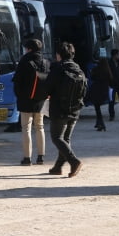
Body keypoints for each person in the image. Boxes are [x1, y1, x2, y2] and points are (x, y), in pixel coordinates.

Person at [47, 42, 86, 177]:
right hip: (75, 109)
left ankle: (74, 161)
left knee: (57, 138)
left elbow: (48, 87)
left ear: (58, 55)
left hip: (59, 109)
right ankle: (58, 167)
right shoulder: (79, 70)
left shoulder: (58, 69)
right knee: (65, 139)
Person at [12, 39, 49, 166]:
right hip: (41, 100)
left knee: (26, 129)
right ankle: (41, 157)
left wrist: (19, 95)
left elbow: (17, 81)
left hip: (26, 100)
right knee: (40, 127)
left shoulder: (24, 61)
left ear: (29, 49)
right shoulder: (46, 62)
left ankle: (27, 158)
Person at [89, 57, 113, 131]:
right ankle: (98, 123)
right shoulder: (107, 71)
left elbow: (92, 78)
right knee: (98, 108)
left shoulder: (96, 70)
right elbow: (111, 82)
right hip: (104, 91)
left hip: (96, 91)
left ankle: (101, 124)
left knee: (97, 108)